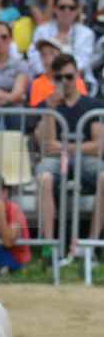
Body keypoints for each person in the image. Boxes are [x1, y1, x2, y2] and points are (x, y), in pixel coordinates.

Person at [34, 52, 104, 247]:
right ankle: (49, 247)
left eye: (69, 76)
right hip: (58, 160)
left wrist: (65, 147)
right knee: (44, 178)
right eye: (59, 77)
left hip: (85, 159)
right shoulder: (48, 106)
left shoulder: (93, 104)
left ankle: (91, 244)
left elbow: (98, 146)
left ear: (78, 76)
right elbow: (48, 146)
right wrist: (50, 111)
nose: (64, 81)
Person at [28, 0, 95, 89]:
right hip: (45, 79)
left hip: (75, 80)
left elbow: (82, 62)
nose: (66, 11)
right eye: (62, 7)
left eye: (71, 8)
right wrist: (49, 75)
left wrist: (60, 73)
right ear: (54, 8)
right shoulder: (42, 30)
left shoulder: (86, 33)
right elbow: (34, 57)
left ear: (77, 10)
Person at [29, 37, 86, 108]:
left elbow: (83, 106)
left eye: (51, 53)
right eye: (43, 54)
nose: (47, 58)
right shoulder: (36, 84)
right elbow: (36, 113)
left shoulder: (76, 80)